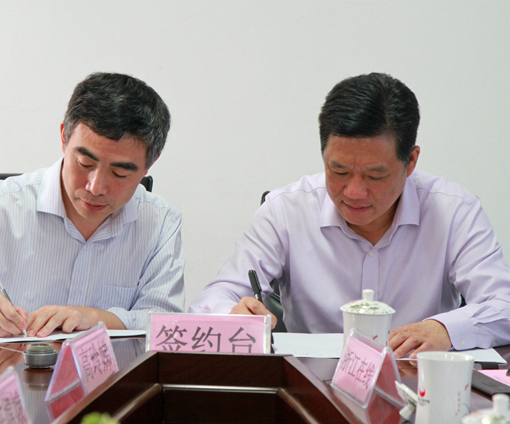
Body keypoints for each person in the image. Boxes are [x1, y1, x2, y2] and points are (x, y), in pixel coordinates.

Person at [189, 72, 510, 359]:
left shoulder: (453, 211)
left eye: (375, 175)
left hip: (418, 381)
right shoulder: (285, 210)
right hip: (311, 386)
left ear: (411, 162)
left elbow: (503, 304)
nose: (354, 191)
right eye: (339, 171)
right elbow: (213, 299)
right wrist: (231, 315)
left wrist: (445, 329)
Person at [0, 72, 185, 337]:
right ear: (64, 137)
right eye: (85, 163)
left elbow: (167, 324)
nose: (96, 187)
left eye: (120, 173)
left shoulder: (160, 224)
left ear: (150, 164)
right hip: (3, 368)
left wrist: (96, 318)